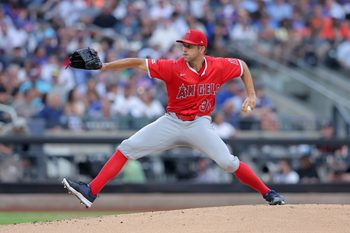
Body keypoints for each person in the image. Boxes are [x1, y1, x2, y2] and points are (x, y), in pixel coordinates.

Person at [62, 29, 285, 207]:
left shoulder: (218, 65)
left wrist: (252, 95)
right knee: (126, 147)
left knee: (228, 162)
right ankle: (91, 191)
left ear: (202, 48)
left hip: (199, 124)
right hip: (172, 121)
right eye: (183, 45)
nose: (184, 49)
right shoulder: (172, 67)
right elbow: (139, 62)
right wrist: (105, 67)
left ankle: (268, 193)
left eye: (189, 46)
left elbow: (243, 67)